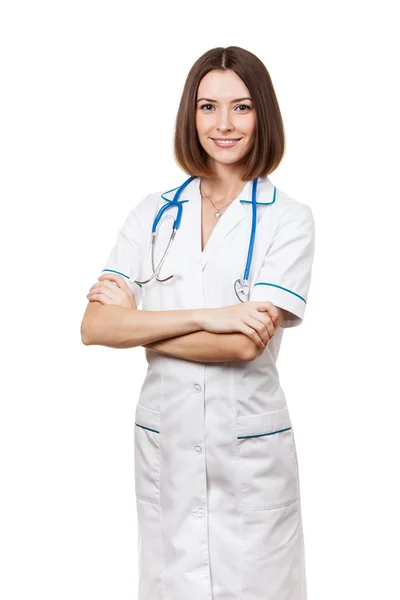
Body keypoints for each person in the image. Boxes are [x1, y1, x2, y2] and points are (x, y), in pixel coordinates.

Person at [81, 45, 315, 600]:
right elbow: (95, 326)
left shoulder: (288, 219)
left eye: (242, 107)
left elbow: (243, 347)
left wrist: (142, 322)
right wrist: (211, 316)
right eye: (208, 107)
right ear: (192, 115)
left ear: (264, 115)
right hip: (169, 448)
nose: (224, 124)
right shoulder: (153, 213)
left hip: (250, 453)